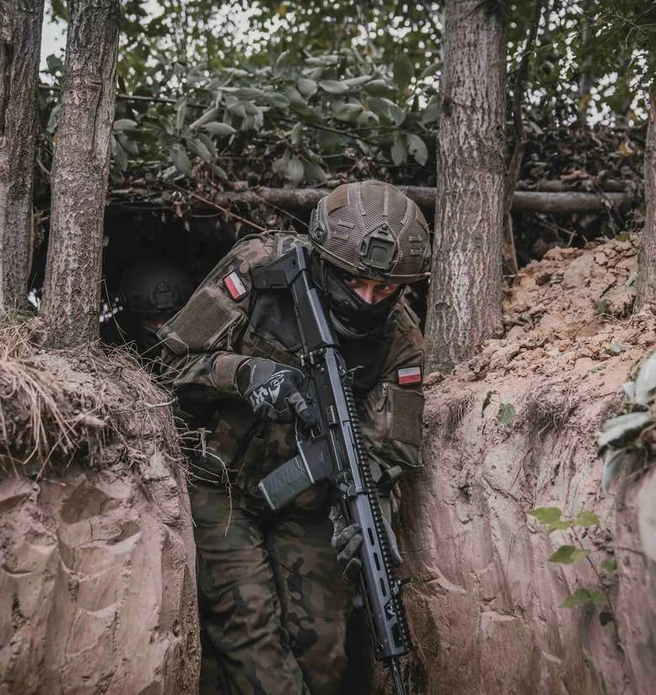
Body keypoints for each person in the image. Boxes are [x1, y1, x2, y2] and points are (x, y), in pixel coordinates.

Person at [157, 180, 430, 695]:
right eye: (355, 281)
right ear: (326, 258)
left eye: (385, 289)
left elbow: (388, 450)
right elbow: (170, 364)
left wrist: (366, 517)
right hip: (223, 488)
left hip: (310, 506)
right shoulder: (262, 271)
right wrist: (243, 374)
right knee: (249, 635)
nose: (368, 298)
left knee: (323, 656)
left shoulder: (399, 342)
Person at [105, 259, 195, 357]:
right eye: (152, 319)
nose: (160, 326)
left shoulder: (195, 342)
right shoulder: (115, 340)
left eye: (169, 318)